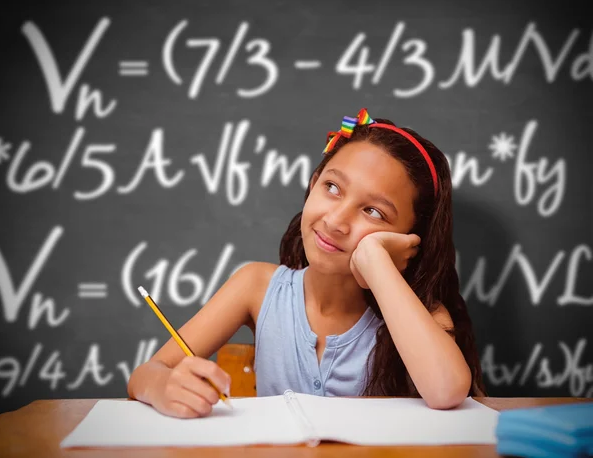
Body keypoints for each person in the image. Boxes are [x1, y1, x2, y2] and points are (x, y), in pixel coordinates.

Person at [127, 108, 487, 418]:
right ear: (314, 183)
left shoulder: (421, 314)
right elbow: (145, 374)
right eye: (332, 187)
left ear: (410, 238)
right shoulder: (256, 285)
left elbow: (447, 391)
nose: (336, 221)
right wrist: (162, 385)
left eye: (373, 211)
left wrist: (376, 262)